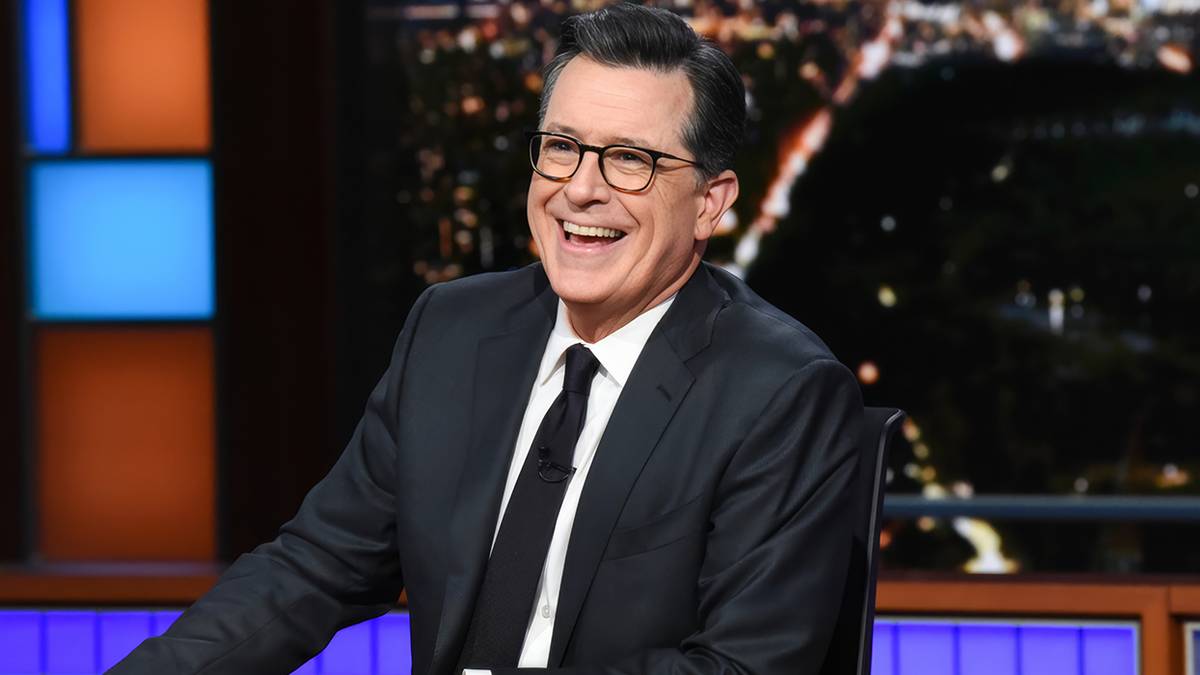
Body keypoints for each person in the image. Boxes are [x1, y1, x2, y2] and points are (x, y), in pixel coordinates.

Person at [111, 4, 863, 674]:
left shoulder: (780, 391)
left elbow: (742, 664)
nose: (580, 188)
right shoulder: (453, 329)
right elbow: (315, 566)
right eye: (561, 145)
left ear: (710, 202)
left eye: (630, 159)